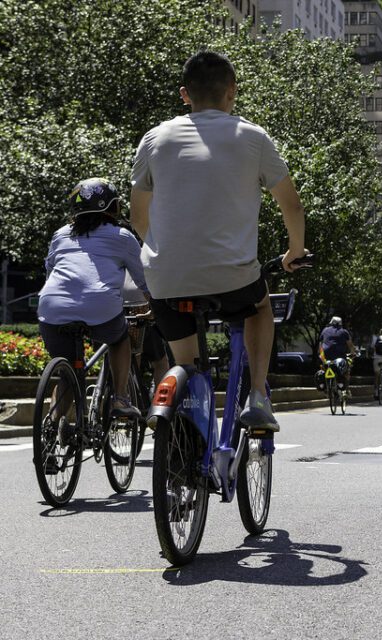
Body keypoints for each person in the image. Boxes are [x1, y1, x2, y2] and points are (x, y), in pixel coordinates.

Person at [130, 50, 307, 432]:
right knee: (260, 307)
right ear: (232, 93)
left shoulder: (154, 138)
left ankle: (188, 442)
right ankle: (257, 394)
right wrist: (295, 250)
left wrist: (162, 253)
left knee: (188, 367)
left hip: (165, 280)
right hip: (234, 280)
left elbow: (137, 217)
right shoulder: (253, 136)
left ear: (184, 94)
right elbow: (291, 205)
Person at [38, 178, 148, 419]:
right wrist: (156, 305)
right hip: (101, 308)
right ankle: (120, 398)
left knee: (68, 372)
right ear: (111, 208)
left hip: (52, 308)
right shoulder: (122, 236)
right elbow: (144, 280)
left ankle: (54, 428)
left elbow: (50, 272)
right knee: (120, 340)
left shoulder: (60, 234)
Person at [321, 316, 355, 391]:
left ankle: (325, 387)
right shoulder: (344, 332)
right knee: (346, 370)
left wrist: (320, 354)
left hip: (326, 356)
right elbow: (350, 345)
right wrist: (353, 353)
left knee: (324, 368)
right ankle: (344, 389)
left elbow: (321, 344)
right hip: (339, 356)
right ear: (340, 324)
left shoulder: (325, 330)